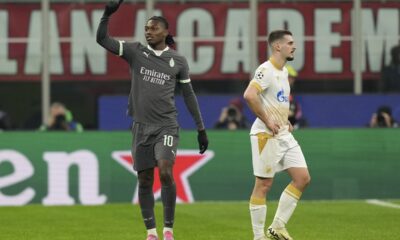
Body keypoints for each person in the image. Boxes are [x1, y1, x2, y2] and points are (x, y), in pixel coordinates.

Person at [96, 1, 209, 240]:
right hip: (140, 126)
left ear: (166, 32)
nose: (149, 31)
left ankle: (168, 230)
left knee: (166, 172)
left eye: (154, 28)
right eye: (147, 28)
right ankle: (151, 233)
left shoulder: (178, 61)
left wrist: (201, 128)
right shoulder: (136, 51)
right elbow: (102, 40)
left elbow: (188, 94)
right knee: (145, 179)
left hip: (167, 125)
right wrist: (107, 14)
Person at [243, 30, 311, 240]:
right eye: (290, 43)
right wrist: (268, 120)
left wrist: (284, 120)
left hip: (283, 133)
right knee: (263, 185)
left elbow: (276, 101)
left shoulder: (283, 72)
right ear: (277, 46)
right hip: (266, 135)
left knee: (302, 178)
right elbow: (249, 95)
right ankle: (258, 236)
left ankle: (278, 227)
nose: (294, 46)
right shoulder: (266, 70)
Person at [286, 65, 306, 129]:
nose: (292, 80)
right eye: (290, 77)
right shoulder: (276, 90)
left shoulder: (289, 92)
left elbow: (297, 112)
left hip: (289, 123)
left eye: (293, 78)